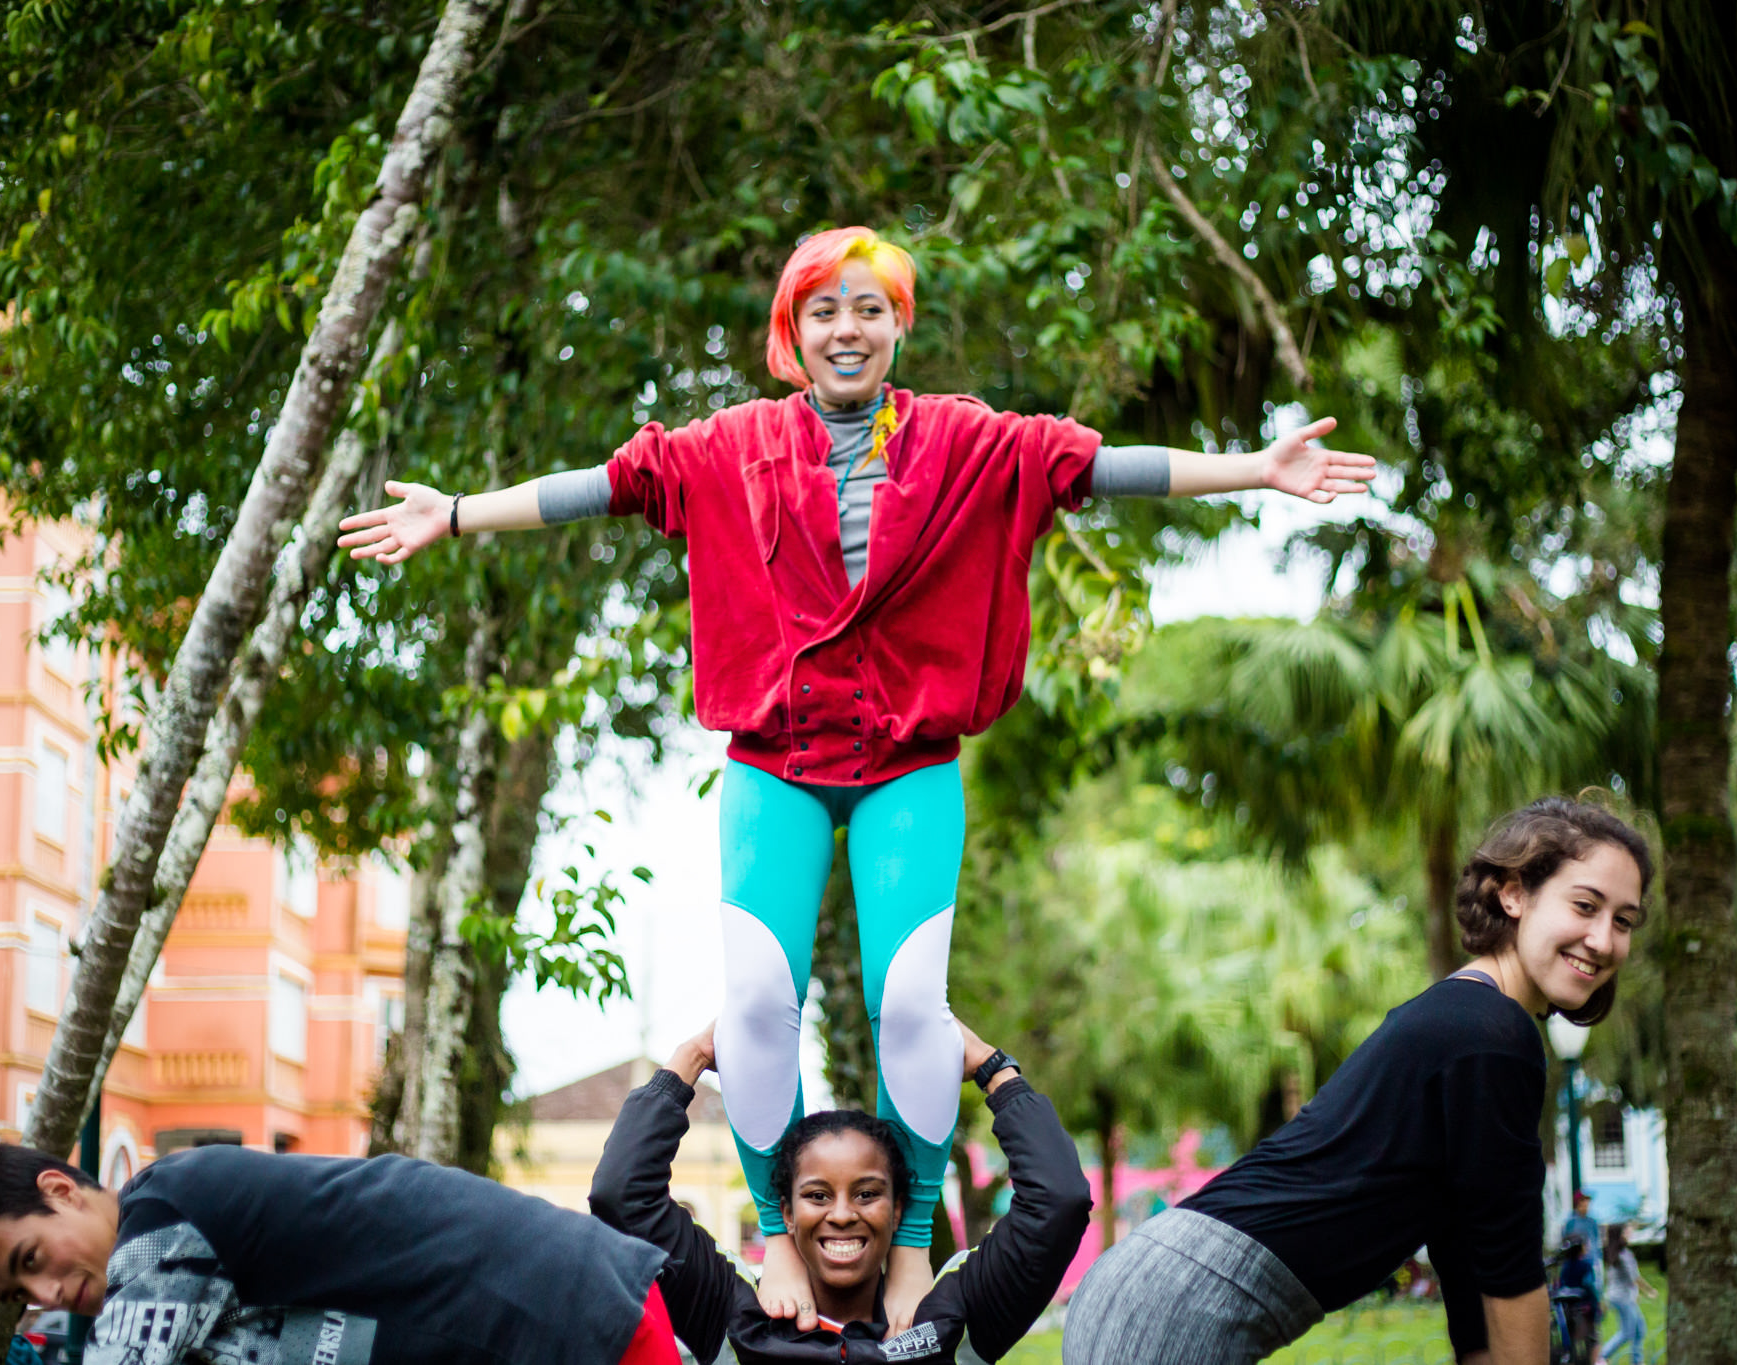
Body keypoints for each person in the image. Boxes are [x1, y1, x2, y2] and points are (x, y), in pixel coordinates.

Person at [337, 224, 1375, 1333]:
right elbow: (606, 485)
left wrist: (1257, 471)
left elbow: (1097, 468)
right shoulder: (731, 445)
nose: (848, 327)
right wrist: (452, 514)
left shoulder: (968, 442)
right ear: (792, 331)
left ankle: (915, 1240)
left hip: (907, 762)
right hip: (773, 760)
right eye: (824, 309)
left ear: (897, 326)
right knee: (750, 1005)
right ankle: (776, 1238)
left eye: (869, 308)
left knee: (908, 1007)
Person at [1061, 796, 1652, 1365]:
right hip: (1177, 1308)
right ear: (1515, 893)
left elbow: (1468, 1254)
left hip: (1156, 1287)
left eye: (1623, 921)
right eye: (1584, 906)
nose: (1603, 939)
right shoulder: (1492, 1034)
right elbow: (1509, 1269)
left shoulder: (1468, 1020)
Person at [587, 1018, 1091, 1363]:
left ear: (899, 1212)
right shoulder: (735, 1313)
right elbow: (621, 1194)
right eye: (818, 1196)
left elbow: (1059, 1200)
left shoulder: (952, 1314)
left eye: (868, 1193)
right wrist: (691, 1057)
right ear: (784, 1212)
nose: (843, 1214)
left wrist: (993, 1069)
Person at [0, 1142, 680, 1365]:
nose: (48, 1293)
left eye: (29, 1259)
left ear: (60, 1189)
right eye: (23, 1294)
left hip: (575, 1323)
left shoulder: (160, 1218)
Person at [1596, 1224, 1652, 1365]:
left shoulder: (1614, 1253)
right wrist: (1649, 1291)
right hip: (1622, 1299)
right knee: (1627, 1332)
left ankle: (1637, 1361)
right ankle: (1601, 1357)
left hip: (1618, 1297)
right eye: (1627, 1231)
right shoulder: (1624, 1255)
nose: (1630, 1232)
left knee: (1639, 1329)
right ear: (1620, 1235)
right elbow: (1635, 1278)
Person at [1555, 1235, 1599, 1365]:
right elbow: (1590, 1284)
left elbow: (1562, 1285)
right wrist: (1596, 1303)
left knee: (1572, 1340)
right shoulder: (1586, 1265)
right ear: (1581, 1249)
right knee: (1592, 1339)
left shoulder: (1565, 1266)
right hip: (1586, 1308)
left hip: (1568, 1309)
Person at [1561, 1190, 1600, 1256]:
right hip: (1575, 1259)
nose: (1586, 1208)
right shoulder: (1571, 1222)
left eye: (1587, 1205)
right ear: (1578, 1204)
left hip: (1591, 1258)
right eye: (1583, 1205)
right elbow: (1565, 1240)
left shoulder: (1592, 1222)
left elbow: (1596, 1241)